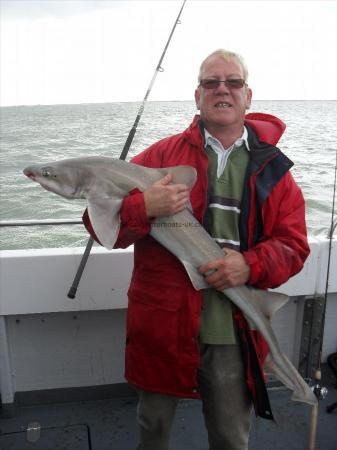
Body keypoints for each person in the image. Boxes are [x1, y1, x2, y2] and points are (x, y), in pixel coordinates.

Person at [84, 49, 310, 450]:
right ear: (197, 95)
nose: (222, 90)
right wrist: (143, 207)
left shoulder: (275, 170)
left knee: (229, 437)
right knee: (152, 431)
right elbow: (102, 230)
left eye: (233, 82)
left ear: (248, 95)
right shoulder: (160, 158)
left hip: (231, 330)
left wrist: (249, 265)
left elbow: (293, 246)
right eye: (211, 82)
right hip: (164, 323)